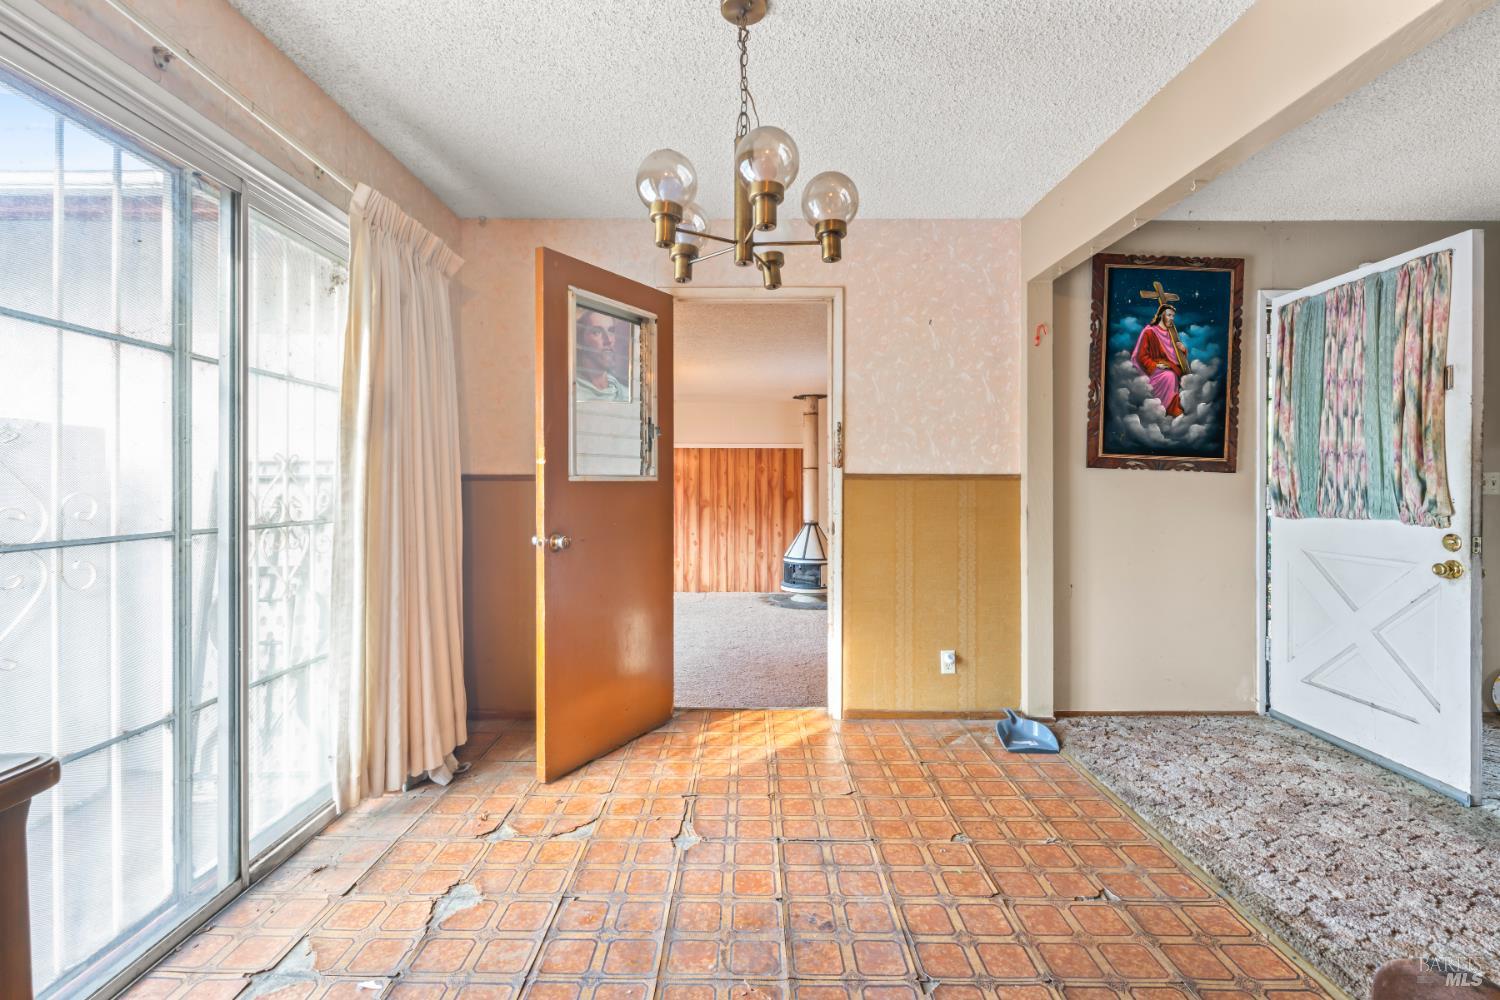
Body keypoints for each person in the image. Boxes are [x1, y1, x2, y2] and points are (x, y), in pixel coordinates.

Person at [1130, 302, 1189, 417]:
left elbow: (1174, 355)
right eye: (1169, 315)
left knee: (1176, 375)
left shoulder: (1171, 334)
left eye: (1173, 316)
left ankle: (1171, 407)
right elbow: (1141, 356)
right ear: (1161, 315)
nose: (1171, 318)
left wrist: (1182, 350)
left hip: (1169, 365)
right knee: (1170, 377)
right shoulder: (1149, 332)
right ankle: (1166, 410)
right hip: (1152, 368)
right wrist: (1156, 365)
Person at [575, 309, 630, 402]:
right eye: (596, 332)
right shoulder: (573, 393)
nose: (608, 340)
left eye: (611, 330)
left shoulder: (625, 394)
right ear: (579, 340)